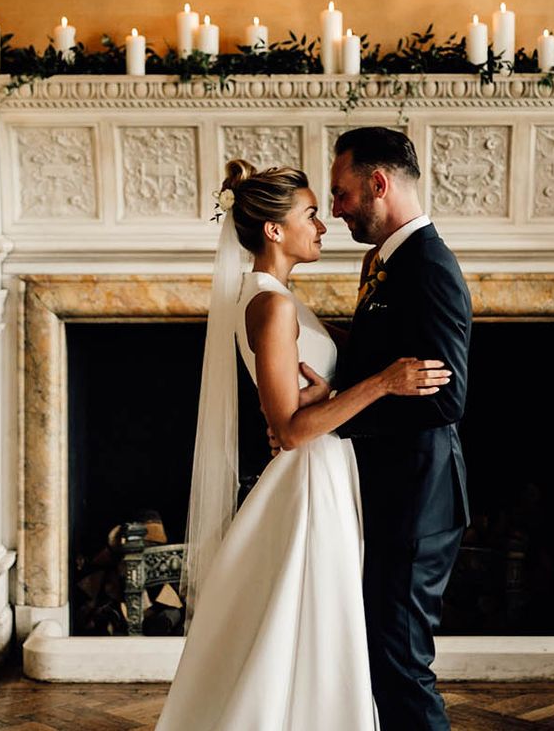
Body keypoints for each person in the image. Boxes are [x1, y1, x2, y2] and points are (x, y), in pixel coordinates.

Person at [155, 160, 450, 731]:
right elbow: (288, 429)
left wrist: (340, 388)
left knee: (314, 628)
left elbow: (318, 387)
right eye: (310, 214)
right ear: (273, 230)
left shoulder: (282, 299)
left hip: (328, 475)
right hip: (309, 484)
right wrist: (383, 384)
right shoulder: (270, 304)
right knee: (313, 627)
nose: (322, 225)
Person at [326, 126, 472, 731]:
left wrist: (338, 412)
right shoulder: (386, 261)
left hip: (420, 499)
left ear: (377, 184)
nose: (334, 209)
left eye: (341, 194)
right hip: (394, 495)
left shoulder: (428, 266)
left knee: (402, 664)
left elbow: (445, 399)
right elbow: (385, 359)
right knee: (386, 659)